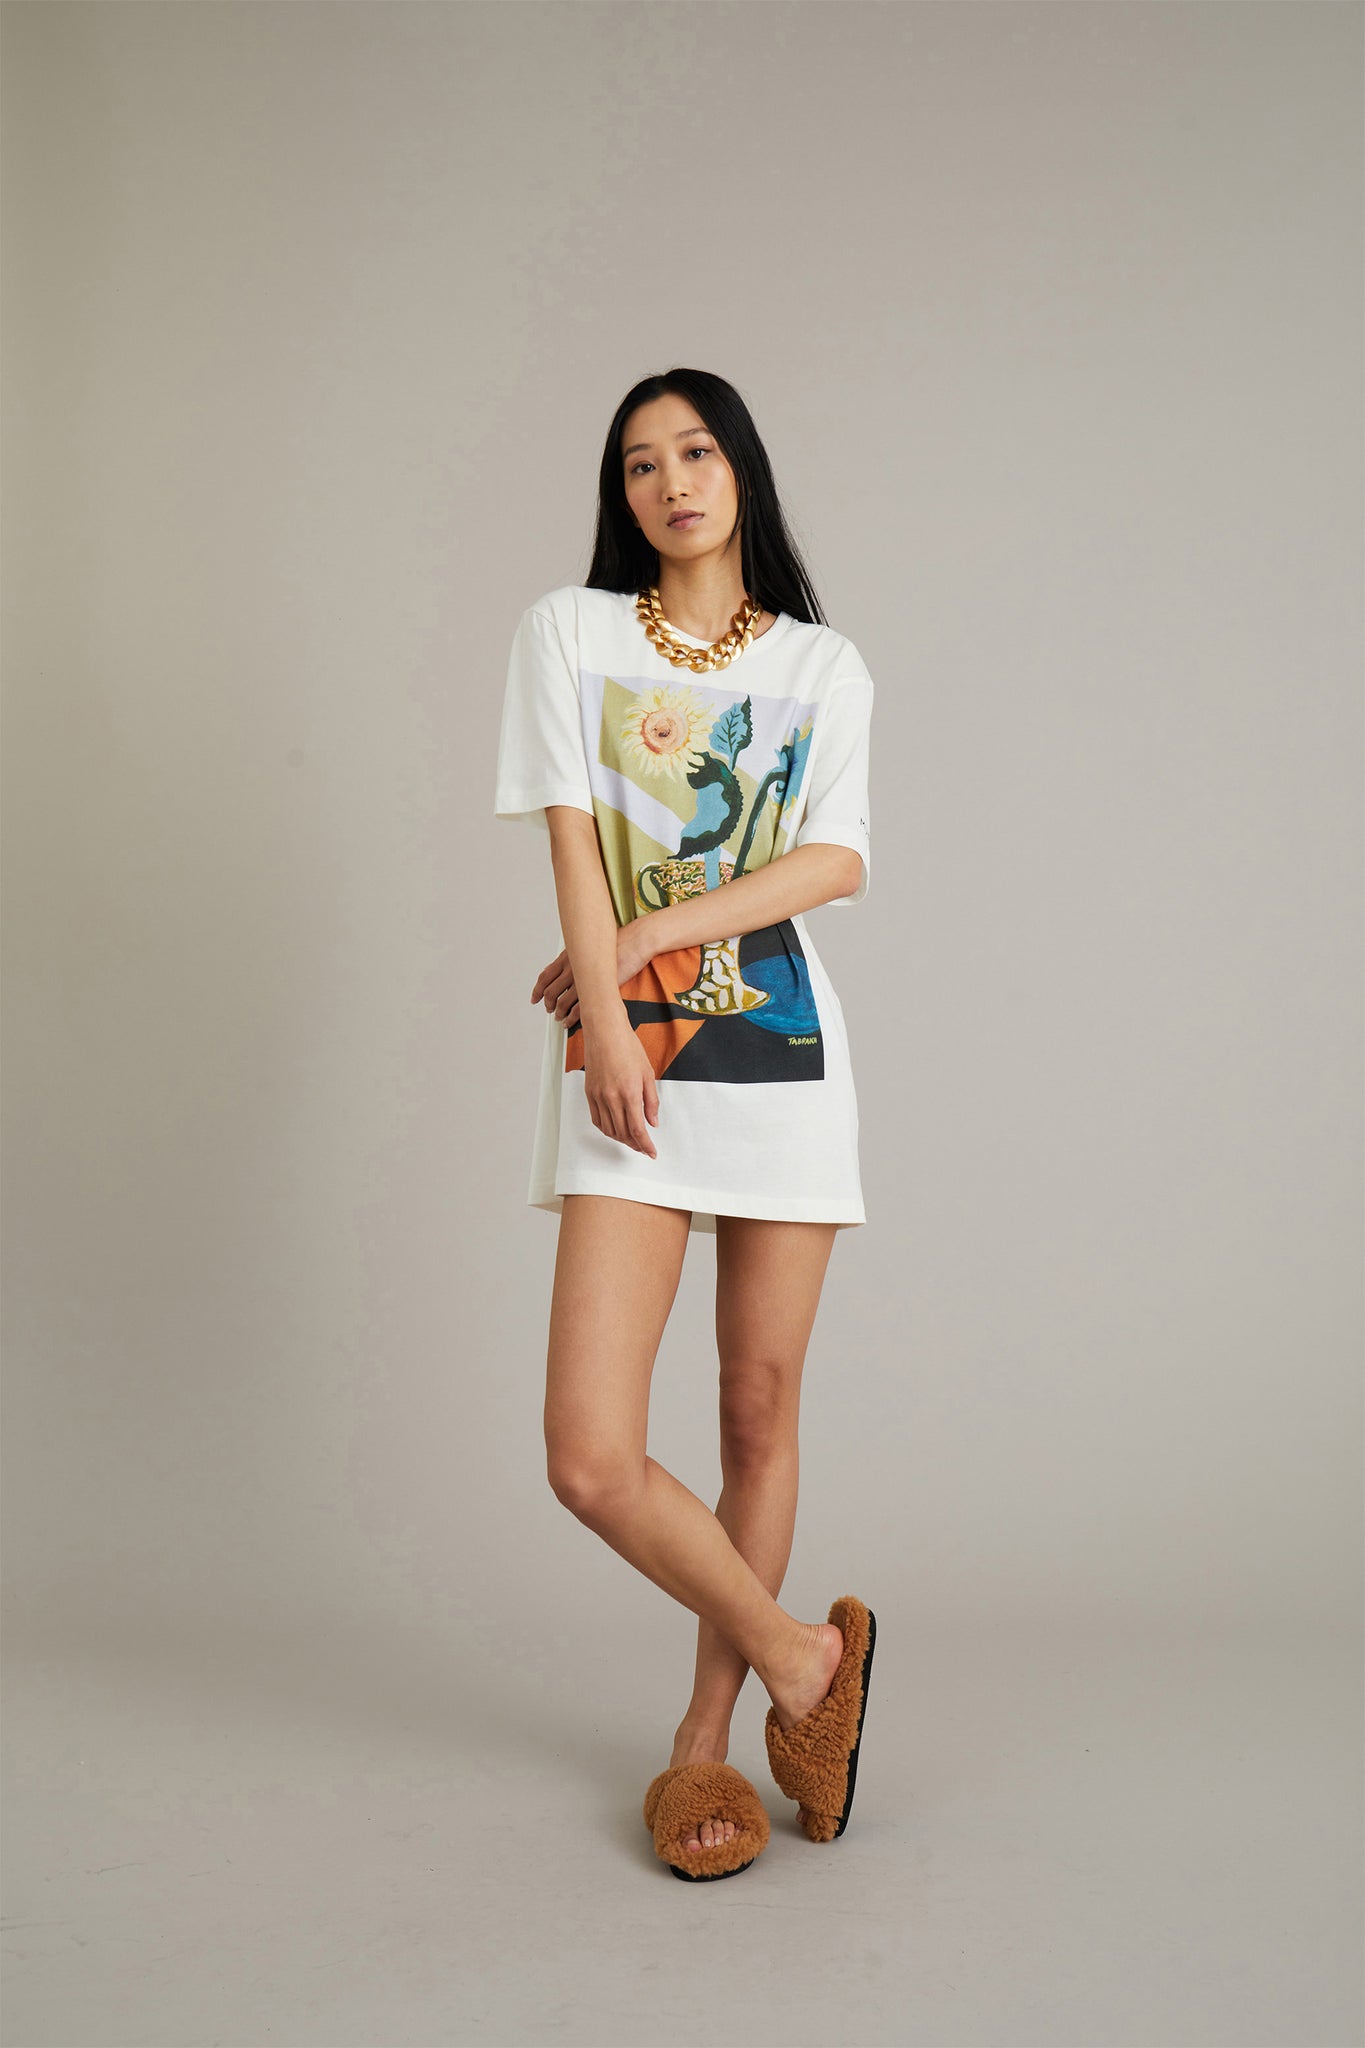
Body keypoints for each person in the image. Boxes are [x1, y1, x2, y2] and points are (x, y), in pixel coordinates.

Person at [492, 367, 878, 1882]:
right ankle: (803, 1659)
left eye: (697, 451)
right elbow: (573, 843)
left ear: (741, 471)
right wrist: (605, 1010)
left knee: (755, 1413)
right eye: (641, 463)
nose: (672, 482)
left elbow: (833, 863)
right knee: (590, 1454)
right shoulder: (570, 633)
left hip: (781, 1054)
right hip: (633, 1060)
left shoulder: (821, 664)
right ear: (623, 495)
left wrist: (649, 940)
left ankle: (705, 1746)